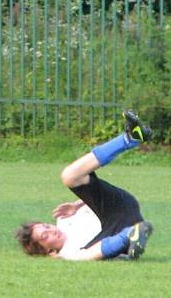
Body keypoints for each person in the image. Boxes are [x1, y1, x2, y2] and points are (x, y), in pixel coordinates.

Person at [15, 110, 155, 260]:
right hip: (117, 237)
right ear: (49, 251)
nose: (51, 231)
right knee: (83, 256)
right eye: (45, 236)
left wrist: (78, 205)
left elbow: (98, 199)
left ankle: (130, 138)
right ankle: (129, 236)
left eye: (47, 227)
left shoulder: (65, 219)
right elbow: (77, 255)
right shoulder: (67, 253)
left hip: (121, 209)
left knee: (69, 176)